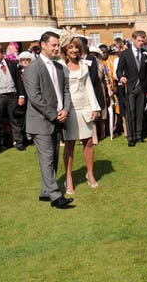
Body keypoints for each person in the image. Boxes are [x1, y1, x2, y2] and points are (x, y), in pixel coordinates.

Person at [24, 31, 74, 209]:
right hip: (40, 121)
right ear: (43, 45)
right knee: (47, 159)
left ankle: (46, 191)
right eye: (53, 45)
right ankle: (55, 196)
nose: (57, 48)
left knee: (53, 157)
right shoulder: (32, 68)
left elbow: (66, 91)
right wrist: (55, 114)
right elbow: (35, 98)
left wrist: (66, 110)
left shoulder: (60, 67)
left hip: (57, 119)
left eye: (57, 44)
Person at [58, 30, 101, 194]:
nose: (74, 50)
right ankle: (68, 178)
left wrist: (94, 107)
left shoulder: (85, 64)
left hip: (85, 107)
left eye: (76, 47)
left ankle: (90, 174)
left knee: (89, 142)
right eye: (71, 47)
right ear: (65, 49)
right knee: (69, 144)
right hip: (69, 109)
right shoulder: (60, 66)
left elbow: (89, 87)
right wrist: (61, 109)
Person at [116, 30, 147, 147]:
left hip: (142, 87)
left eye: (142, 41)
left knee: (140, 112)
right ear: (133, 40)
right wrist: (121, 77)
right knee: (131, 113)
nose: (141, 43)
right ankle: (131, 137)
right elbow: (118, 70)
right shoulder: (125, 54)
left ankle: (139, 135)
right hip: (130, 87)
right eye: (139, 40)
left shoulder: (145, 53)